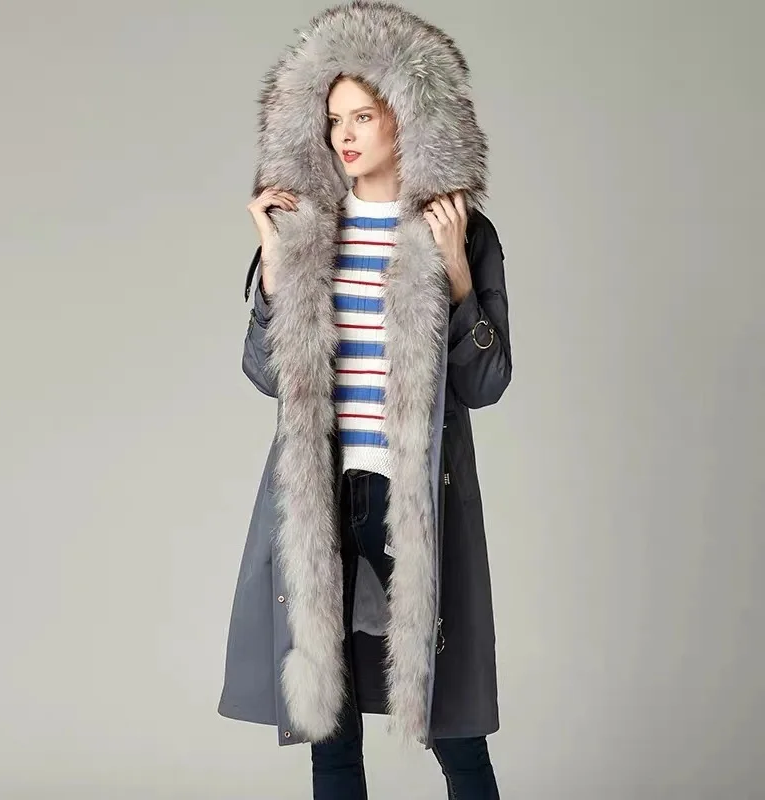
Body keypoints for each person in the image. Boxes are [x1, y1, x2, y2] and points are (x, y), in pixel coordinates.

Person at [218, 3, 512, 798]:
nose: (344, 135)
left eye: (363, 116)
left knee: (457, 735)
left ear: (407, 116)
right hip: (322, 498)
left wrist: (457, 277)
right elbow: (267, 376)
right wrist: (274, 274)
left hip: (416, 501)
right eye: (333, 118)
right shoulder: (306, 231)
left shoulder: (461, 231)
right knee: (332, 740)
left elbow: (486, 383)